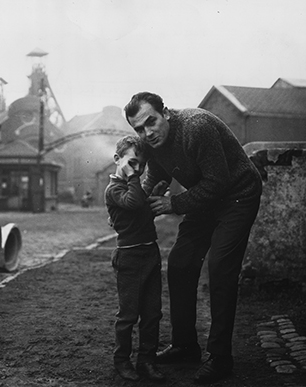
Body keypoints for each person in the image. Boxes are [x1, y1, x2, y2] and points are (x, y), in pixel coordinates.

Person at [123, 92, 262, 384]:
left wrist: (173, 205)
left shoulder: (197, 127)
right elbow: (153, 179)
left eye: (151, 121)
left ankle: (221, 358)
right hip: (205, 199)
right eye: (139, 128)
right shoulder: (154, 143)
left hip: (237, 196)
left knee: (221, 267)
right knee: (180, 262)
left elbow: (217, 182)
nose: (147, 132)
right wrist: (129, 208)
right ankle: (185, 346)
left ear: (167, 114)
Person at [105, 135, 168, 382]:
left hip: (150, 254)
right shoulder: (114, 189)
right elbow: (132, 203)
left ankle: (146, 361)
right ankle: (121, 360)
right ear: (117, 159)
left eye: (142, 165)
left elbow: (142, 214)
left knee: (152, 313)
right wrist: (134, 180)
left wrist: (154, 194)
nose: (138, 170)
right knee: (128, 315)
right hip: (129, 257)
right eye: (132, 163)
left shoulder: (135, 187)